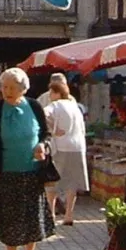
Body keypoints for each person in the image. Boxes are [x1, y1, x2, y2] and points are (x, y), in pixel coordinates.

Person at [0, 67, 53, 250]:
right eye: (4, 87)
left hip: (32, 171)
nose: (7, 91)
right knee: (10, 222)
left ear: (23, 88)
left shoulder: (34, 106)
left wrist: (43, 145)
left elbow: (45, 133)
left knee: (33, 220)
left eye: (12, 87)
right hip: (6, 173)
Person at [43, 74, 89, 226]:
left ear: (57, 93)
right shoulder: (76, 106)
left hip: (61, 146)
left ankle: (51, 215)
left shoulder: (55, 105)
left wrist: (52, 130)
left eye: (51, 93)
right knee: (72, 183)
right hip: (78, 147)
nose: (50, 96)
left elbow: (43, 114)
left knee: (53, 181)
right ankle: (69, 214)